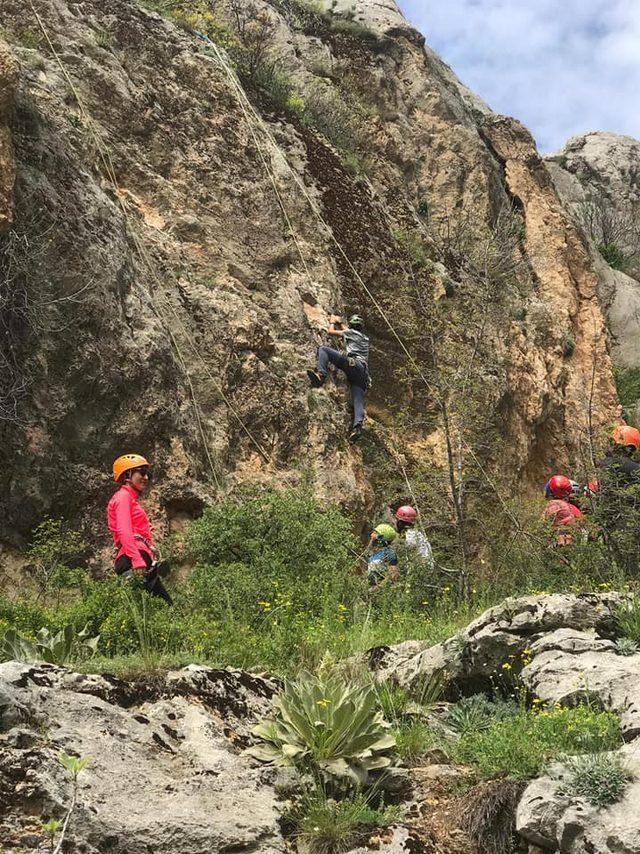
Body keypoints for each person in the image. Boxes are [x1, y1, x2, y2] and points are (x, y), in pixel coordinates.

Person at [107, 453, 173, 605]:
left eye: (148, 474)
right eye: (142, 473)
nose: (146, 478)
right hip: (133, 559)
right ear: (127, 475)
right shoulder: (122, 497)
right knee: (158, 608)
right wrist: (137, 560)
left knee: (164, 608)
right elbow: (124, 530)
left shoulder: (129, 499)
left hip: (138, 557)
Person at [307, 314, 370, 443]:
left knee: (324, 349)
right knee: (358, 400)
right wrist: (340, 322)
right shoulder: (364, 338)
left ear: (351, 325)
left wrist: (331, 322)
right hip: (363, 374)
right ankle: (357, 428)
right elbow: (348, 330)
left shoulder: (350, 332)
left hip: (353, 364)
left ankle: (321, 375)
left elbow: (331, 332)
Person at [595, 425, 640, 573]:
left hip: (608, 518)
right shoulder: (635, 468)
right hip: (630, 519)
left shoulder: (603, 464)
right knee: (630, 558)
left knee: (611, 558)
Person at [543, 474, 583, 546]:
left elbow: (542, 524)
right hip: (573, 542)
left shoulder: (553, 505)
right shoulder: (572, 508)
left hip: (558, 543)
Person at [394, 504, 434, 568]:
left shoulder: (410, 536)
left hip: (421, 570)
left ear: (400, 523)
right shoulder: (416, 533)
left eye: (397, 520)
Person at [367, 524, 399, 588]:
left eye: (375, 533)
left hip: (382, 592)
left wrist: (379, 587)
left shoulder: (389, 552)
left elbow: (393, 575)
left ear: (381, 537)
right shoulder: (374, 552)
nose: (372, 535)